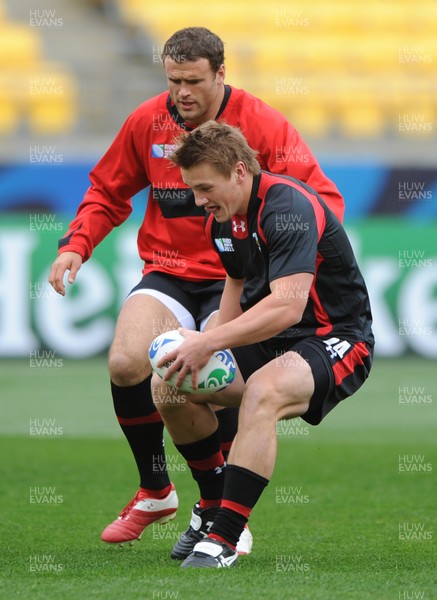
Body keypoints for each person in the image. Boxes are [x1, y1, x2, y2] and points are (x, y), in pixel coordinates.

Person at [48, 26, 345, 555]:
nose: (181, 92)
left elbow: (321, 201)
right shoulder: (147, 121)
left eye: (192, 81)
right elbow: (108, 189)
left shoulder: (263, 125)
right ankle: (156, 490)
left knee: (208, 376)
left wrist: (280, 263)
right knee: (124, 363)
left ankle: (223, 511)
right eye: (173, 81)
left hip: (241, 279)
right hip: (169, 270)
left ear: (220, 74)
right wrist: (76, 245)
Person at [151, 121, 374, 568]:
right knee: (171, 385)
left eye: (205, 188)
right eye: (192, 190)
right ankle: (213, 506)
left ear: (238, 171)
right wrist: (209, 346)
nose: (198, 200)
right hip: (268, 339)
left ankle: (227, 539)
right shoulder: (222, 219)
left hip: (334, 338)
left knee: (263, 391)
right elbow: (235, 282)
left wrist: (208, 340)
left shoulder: (287, 206)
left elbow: (288, 308)